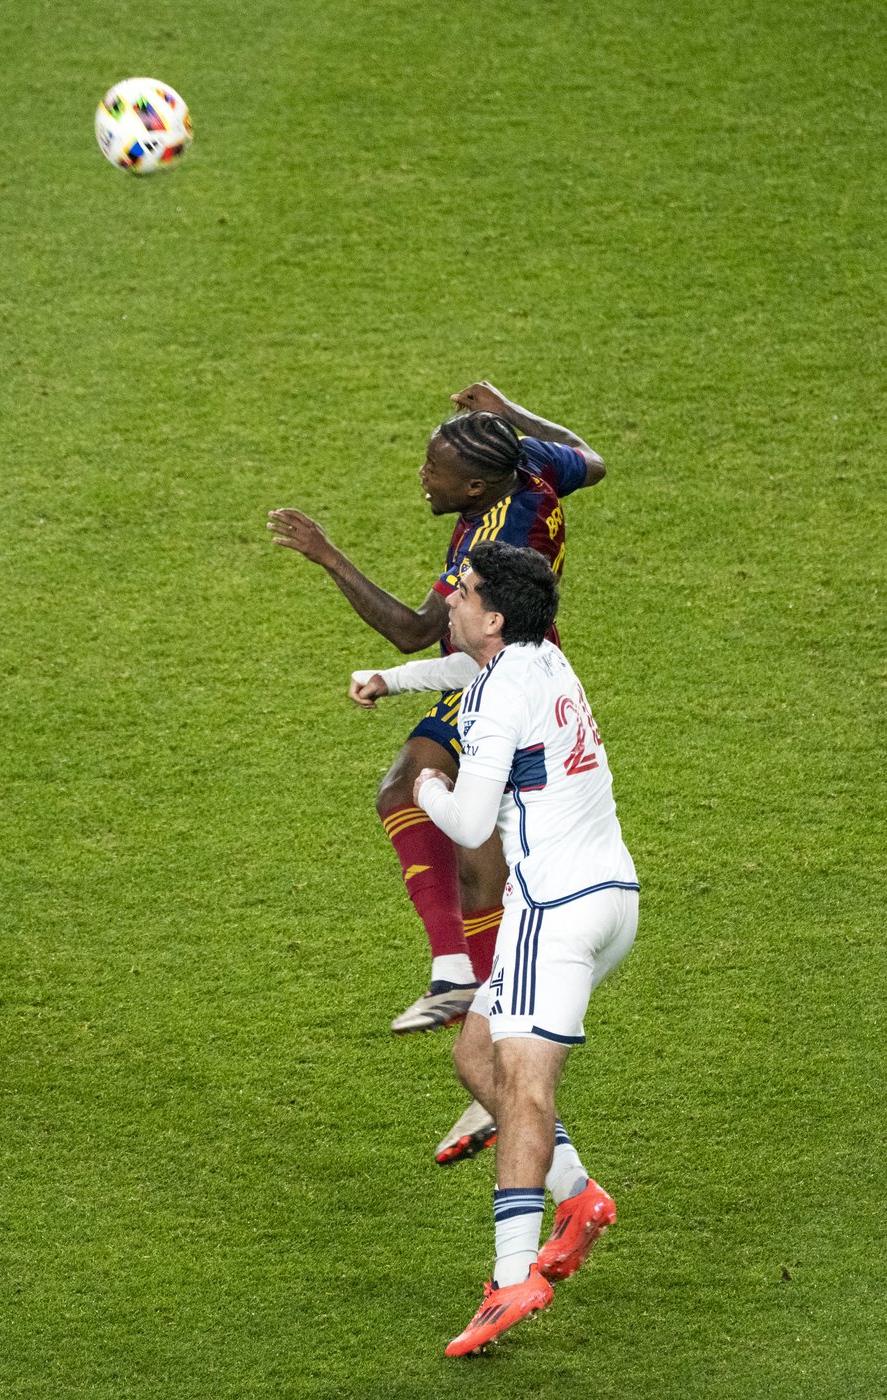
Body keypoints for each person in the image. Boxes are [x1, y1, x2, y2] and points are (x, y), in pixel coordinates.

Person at [269, 384, 604, 1166]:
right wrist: (509, 409)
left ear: (479, 490)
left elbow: (418, 627)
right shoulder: (533, 465)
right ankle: (483, 1039)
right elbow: (594, 457)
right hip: (510, 665)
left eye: (438, 470)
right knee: (482, 873)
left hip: (496, 676)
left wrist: (326, 555)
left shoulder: (494, 533)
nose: (425, 477)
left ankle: (460, 986)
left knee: (411, 796)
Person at [369, 539, 638, 1356]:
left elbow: (469, 825)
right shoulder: (541, 661)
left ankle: (512, 1275)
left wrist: (423, 784)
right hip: (611, 897)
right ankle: (578, 1195)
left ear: (492, 617)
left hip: (551, 912)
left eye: (464, 589)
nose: (448, 595)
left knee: (521, 1087)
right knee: (477, 1060)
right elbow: (469, 676)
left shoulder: (496, 698)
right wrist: (394, 680)